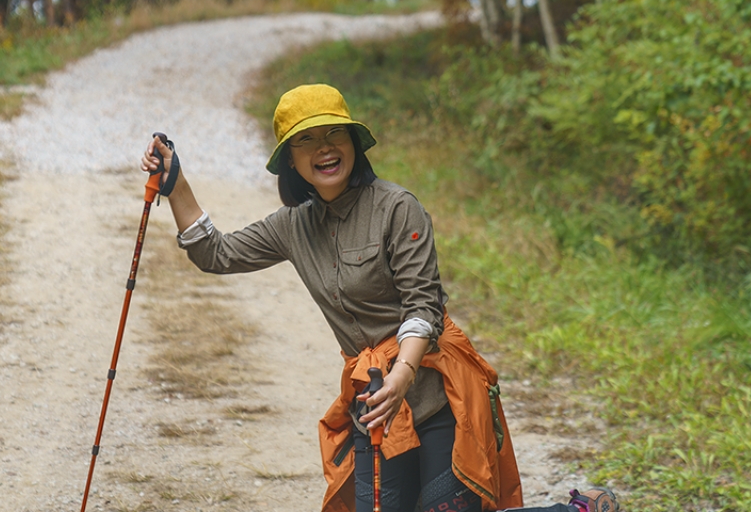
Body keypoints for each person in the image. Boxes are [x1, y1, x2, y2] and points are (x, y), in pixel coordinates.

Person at [140, 83, 619, 512]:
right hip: (373, 402)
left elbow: (423, 306)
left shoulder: (396, 207)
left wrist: (403, 375)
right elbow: (215, 253)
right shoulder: (291, 226)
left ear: (353, 144)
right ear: (290, 159)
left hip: (435, 398)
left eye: (334, 134)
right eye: (306, 139)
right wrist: (177, 182)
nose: (324, 148)